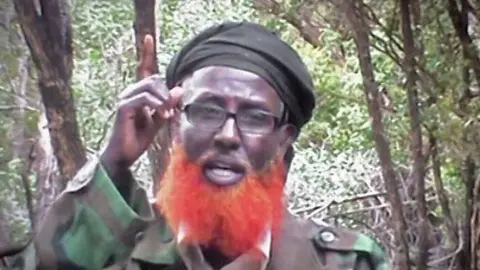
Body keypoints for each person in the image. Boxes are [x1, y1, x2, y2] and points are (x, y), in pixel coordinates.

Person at [1, 21, 388, 270]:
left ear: (282, 139)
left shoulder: (348, 262)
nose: (227, 135)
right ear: (175, 123)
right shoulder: (113, 250)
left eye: (255, 117)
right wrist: (113, 162)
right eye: (206, 110)